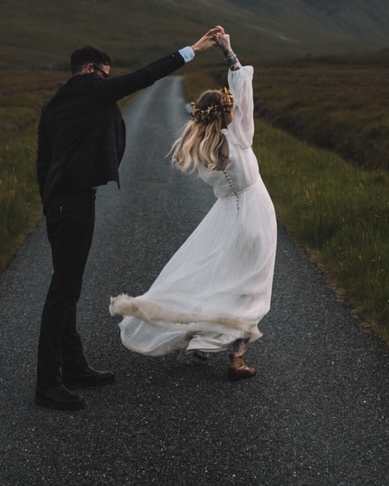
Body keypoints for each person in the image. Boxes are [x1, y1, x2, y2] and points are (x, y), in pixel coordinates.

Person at [34, 27, 224, 411]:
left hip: (60, 204)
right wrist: (193, 50)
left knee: (67, 287)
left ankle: (73, 367)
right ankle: (47, 382)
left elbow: (43, 161)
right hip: (71, 205)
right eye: (104, 74)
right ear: (89, 70)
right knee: (63, 293)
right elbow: (142, 77)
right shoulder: (89, 88)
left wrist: (49, 204)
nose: (107, 82)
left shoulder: (56, 103)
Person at [109, 29, 277, 381]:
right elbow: (243, 90)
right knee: (248, 287)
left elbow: (236, 100)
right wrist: (228, 50)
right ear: (226, 112)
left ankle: (203, 338)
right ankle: (236, 358)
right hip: (255, 216)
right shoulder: (239, 139)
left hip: (223, 217)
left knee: (215, 279)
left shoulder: (199, 149)